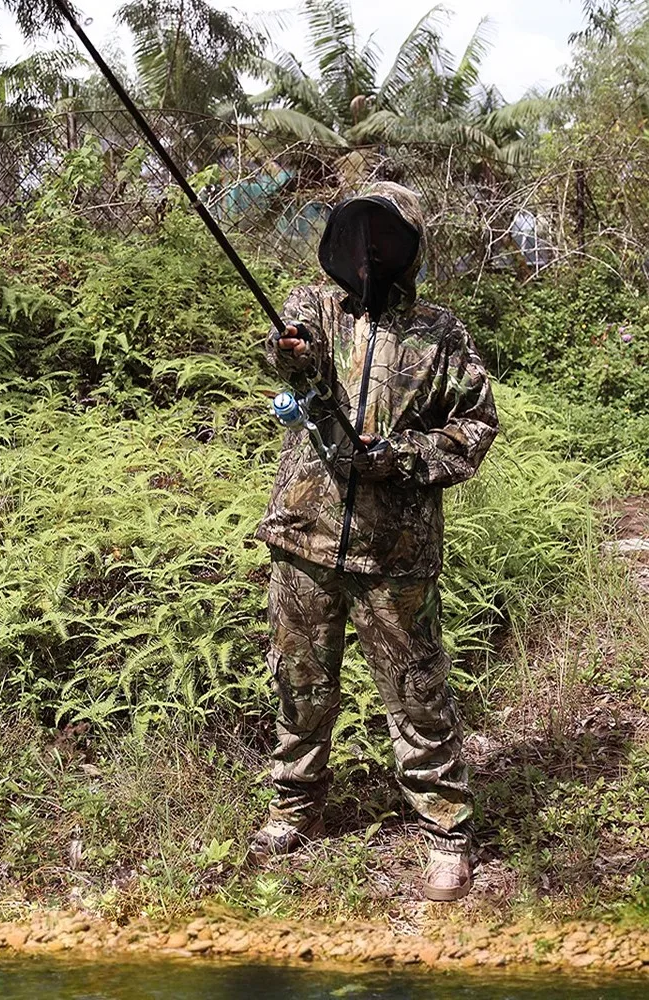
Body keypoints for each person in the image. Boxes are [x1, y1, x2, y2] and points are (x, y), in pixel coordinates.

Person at [250, 182, 498, 902]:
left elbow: (475, 428)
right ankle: (292, 809)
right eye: (356, 233)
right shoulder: (315, 308)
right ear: (340, 242)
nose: (368, 249)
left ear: (409, 246)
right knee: (299, 683)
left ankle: (446, 834)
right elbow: (289, 355)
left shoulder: (441, 334)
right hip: (305, 535)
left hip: (396, 552)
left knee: (417, 694)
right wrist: (287, 352)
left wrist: (398, 456)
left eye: (384, 235)